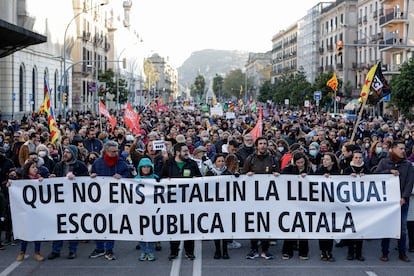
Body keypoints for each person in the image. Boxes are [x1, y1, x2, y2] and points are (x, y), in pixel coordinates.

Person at [89, 141, 130, 261]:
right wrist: (92, 176)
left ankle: (109, 249)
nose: (116, 153)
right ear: (106, 151)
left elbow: (128, 175)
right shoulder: (98, 162)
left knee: (111, 224)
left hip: (114, 200)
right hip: (100, 199)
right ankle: (99, 248)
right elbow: (92, 174)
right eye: (113, 151)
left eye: (117, 150)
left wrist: (122, 177)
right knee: (99, 224)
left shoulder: (121, 162)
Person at [47, 145, 89, 260]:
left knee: (72, 225)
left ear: (74, 154)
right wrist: (52, 177)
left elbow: (86, 180)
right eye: (64, 152)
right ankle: (56, 250)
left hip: (74, 200)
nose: (65, 154)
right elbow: (55, 178)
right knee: (59, 225)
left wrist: (76, 178)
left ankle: (72, 250)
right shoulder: (59, 165)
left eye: (68, 152)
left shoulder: (80, 165)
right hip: (60, 200)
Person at [161, 142, 202, 261]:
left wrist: (197, 179)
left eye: (187, 151)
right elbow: (160, 177)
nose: (187, 153)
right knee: (174, 227)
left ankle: (189, 252)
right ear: (177, 152)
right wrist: (165, 180)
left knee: (189, 227)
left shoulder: (192, 163)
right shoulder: (169, 164)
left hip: (189, 202)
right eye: (184, 151)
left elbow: (200, 178)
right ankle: (174, 251)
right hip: (173, 202)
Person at [375, 140, 414, 262]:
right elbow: (375, 176)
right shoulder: (384, 162)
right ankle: (384, 252)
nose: (403, 151)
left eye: (404, 149)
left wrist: (404, 197)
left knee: (401, 229)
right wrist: (388, 172)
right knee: (387, 227)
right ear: (393, 149)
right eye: (401, 148)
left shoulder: (407, 165)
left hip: (401, 202)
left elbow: (409, 182)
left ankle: (402, 253)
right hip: (387, 203)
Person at [243, 136, 280, 260]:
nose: (263, 145)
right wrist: (247, 175)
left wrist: (277, 175)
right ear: (257, 145)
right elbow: (243, 176)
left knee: (266, 223)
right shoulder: (250, 159)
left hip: (268, 198)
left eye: (265, 143)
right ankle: (253, 249)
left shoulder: (273, 159)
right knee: (254, 223)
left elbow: (280, 176)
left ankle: (265, 249)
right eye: (260, 143)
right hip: (253, 198)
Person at [11, 160, 45, 262]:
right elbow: (10, 186)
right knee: (25, 232)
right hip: (26, 211)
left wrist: (44, 181)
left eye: (36, 167)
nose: (35, 169)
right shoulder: (22, 180)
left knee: (37, 232)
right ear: (28, 169)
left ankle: (37, 252)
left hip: (37, 210)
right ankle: (22, 252)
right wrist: (9, 184)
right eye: (33, 167)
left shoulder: (40, 179)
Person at [281, 151, 310, 260]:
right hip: (292, 202)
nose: (300, 165)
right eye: (298, 162)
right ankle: (287, 251)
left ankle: (303, 251)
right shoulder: (289, 169)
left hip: (306, 202)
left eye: (302, 162)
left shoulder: (310, 169)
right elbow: (281, 177)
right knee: (291, 226)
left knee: (303, 226)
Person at [343, 150, 369, 261]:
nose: (358, 159)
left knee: (360, 229)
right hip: (350, 203)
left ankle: (359, 253)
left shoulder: (366, 169)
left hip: (361, 204)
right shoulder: (347, 169)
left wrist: (366, 178)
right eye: (356, 157)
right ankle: (350, 252)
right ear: (352, 158)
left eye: (360, 157)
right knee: (351, 228)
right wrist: (348, 177)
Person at [315, 152, 340, 262]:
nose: (324, 161)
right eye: (324, 159)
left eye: (327, 159)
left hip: (332, 205)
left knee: (330, 229)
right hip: (321, 205)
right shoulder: (319, 171)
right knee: (322, 229)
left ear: (332, 162)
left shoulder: (337, 173)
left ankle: (329, 251)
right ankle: (322, 252)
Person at [206, 154, 232, 259]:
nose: (221, 163)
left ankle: (225, 251)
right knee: (216, 228)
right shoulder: (210, 173)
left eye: (222, 161)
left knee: (224, 228)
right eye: (219, 161)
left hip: (225, 204)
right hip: (214, 204)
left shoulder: (228, 173)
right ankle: (217, 250)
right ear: (215, 162)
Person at [135, 158, 158, 261]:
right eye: (143, 167)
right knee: (142, 232)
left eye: (148, 167)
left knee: (151, 231)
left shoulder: (156, 178)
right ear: (140, 168)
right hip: (140, 209)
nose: (146, 169)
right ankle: (144, 251)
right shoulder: (135, 179)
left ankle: (151, 251)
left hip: (152, 209)